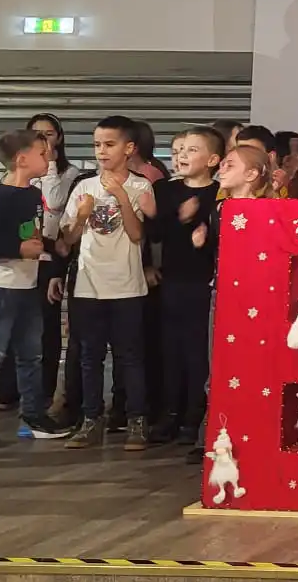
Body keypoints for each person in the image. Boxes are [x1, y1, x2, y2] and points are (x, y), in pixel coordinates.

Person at [0, 129, 72, 446]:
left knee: (31, 354)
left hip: (28, 284)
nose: (49, 156)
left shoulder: (33, 195)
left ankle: (34, 415)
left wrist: (51, 245)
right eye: (42, 152)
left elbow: (32, 235)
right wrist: (17, 249)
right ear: (22, 159)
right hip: (0, 286)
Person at [59, 117, 157, 451]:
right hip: (88, 285)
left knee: (130, 357)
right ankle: (91, 419)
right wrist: (82, 215)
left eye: (109, 144)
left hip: (127, 286)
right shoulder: (83, 187)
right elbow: (67, 239)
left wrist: (120, 196)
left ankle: (136, 420)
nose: (101, 151)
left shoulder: (141, 186)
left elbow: (137, 235)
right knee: (90, 357)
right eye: (97, 144)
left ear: (129, 148)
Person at [0, 113, 81, 416]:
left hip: (52, 254)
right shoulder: (19, 174)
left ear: (60, 137)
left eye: (49, 134)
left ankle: (43, 392)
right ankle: (7, 391)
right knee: (12, 325)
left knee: (45, 326)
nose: (43, 139)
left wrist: (51, 167)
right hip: (21, 255)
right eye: (37, 134)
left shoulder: (71, 174)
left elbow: (56, 207)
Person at [146, 129, 222, 444]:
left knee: (197, 352)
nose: (182, 156)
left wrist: (201, 235)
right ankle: (169, 414)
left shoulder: (219, 193)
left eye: (192, 150)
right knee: (169, 349)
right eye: (178, 151)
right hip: (170, 280)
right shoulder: (165, 189)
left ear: (213, 160)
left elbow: (221, 241)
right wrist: (175, 217)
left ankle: (195, 416)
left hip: (203, 283)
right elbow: (155, 233)